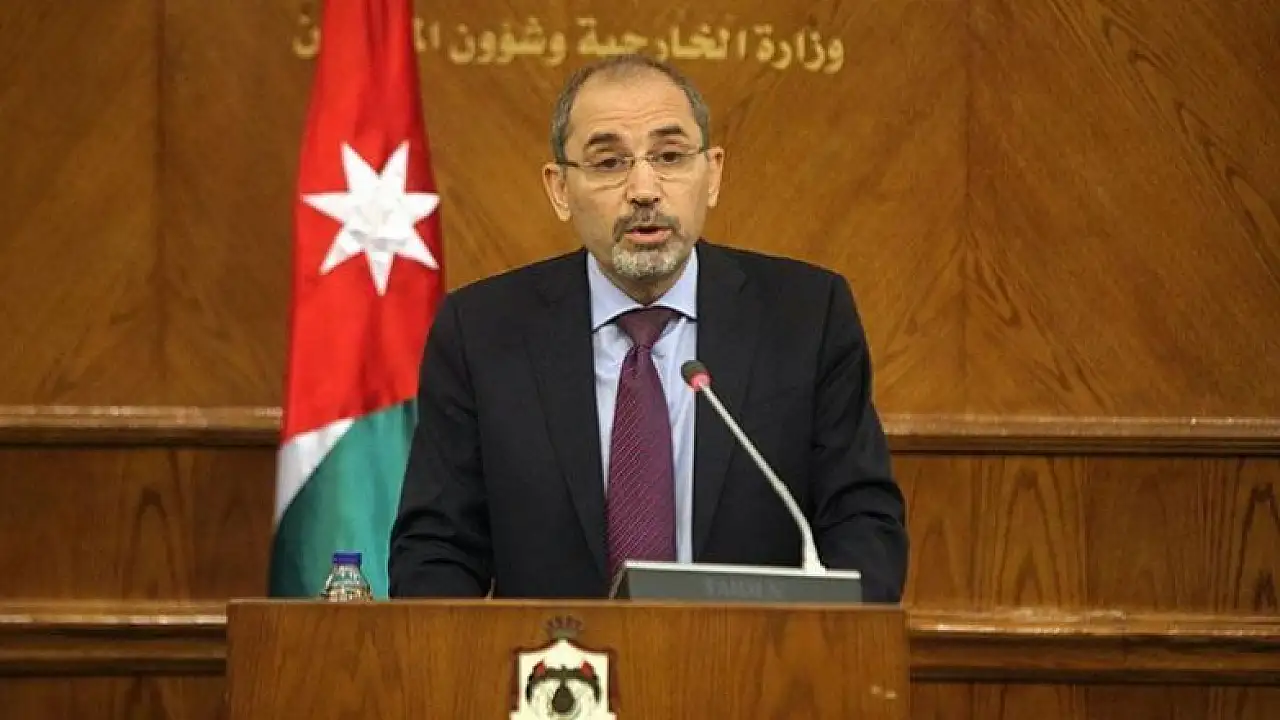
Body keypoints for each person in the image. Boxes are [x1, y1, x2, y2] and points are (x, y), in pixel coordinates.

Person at [388, 53, 909, 602]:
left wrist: (817, 647)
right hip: (556, 655)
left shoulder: (805, 316)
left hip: (753, 655)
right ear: (560, 188)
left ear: (712, 174)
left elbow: (862, 523)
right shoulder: (483, 331)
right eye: (609, 162)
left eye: (670, 156)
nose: (644, 189)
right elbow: (437, 550)